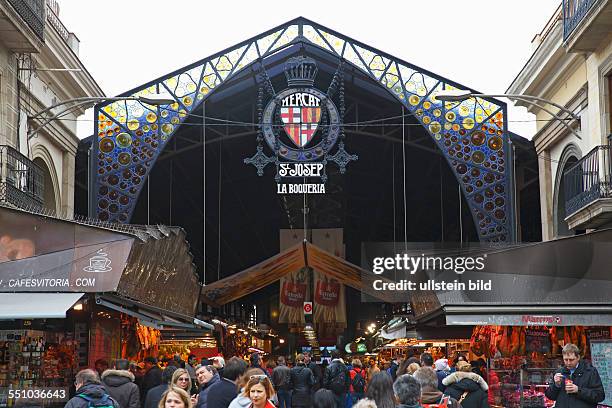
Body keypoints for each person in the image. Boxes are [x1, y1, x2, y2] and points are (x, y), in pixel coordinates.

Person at [545, 343, 605, 408]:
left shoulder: (590, 372)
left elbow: (600, 396)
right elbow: (550, 396)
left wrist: (578, 390)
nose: (568, 363)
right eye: (565, 359)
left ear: (578, 357)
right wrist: (556, 385)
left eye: (571, 360)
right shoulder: (559, 372)